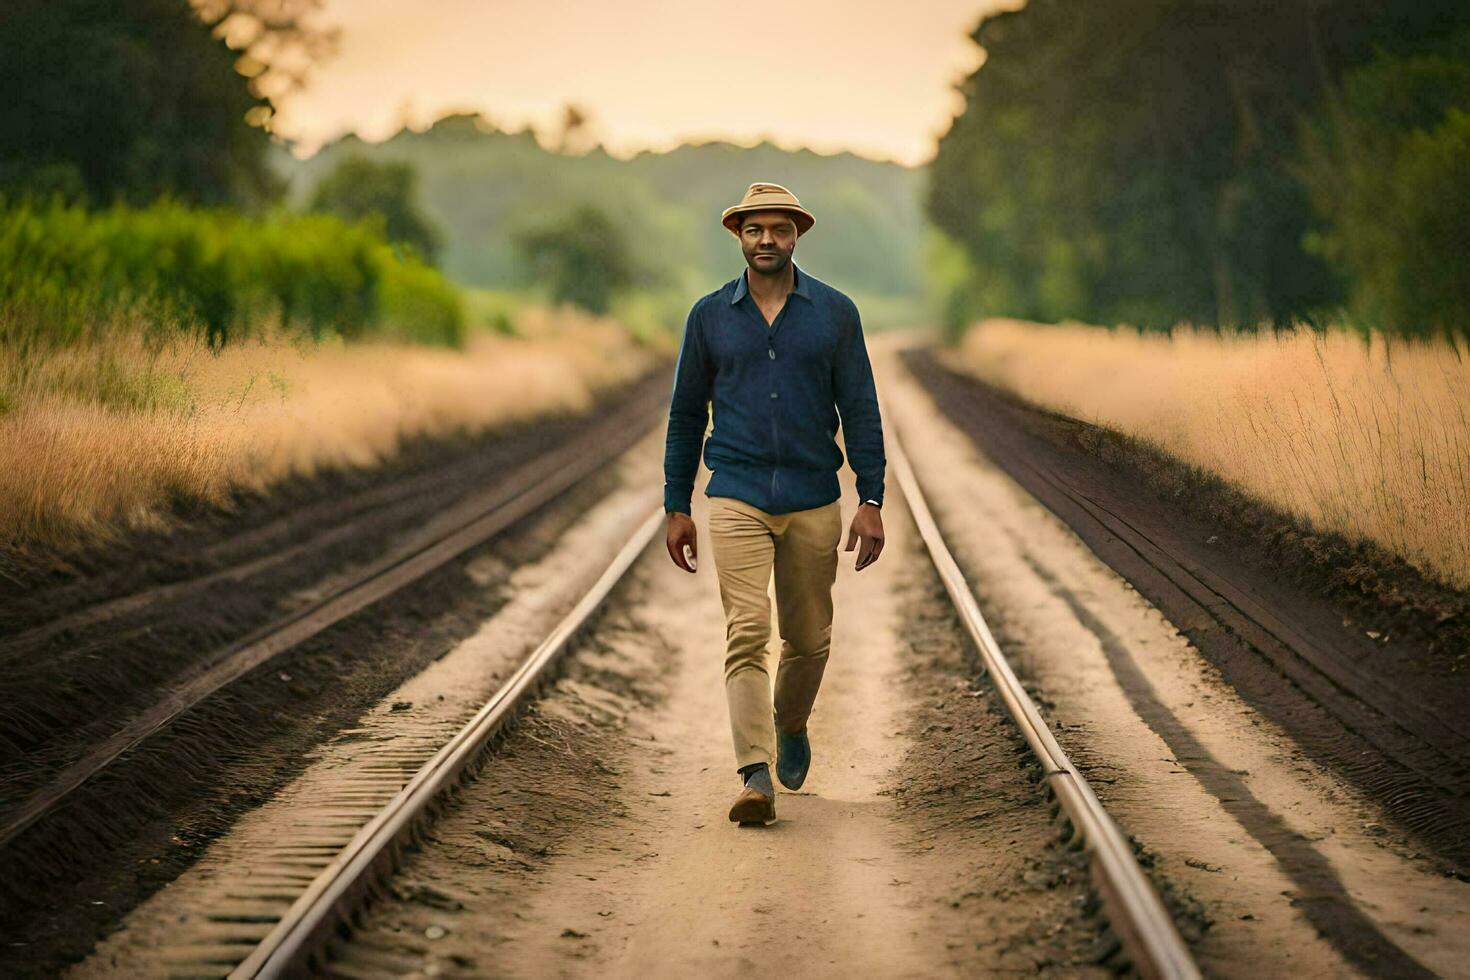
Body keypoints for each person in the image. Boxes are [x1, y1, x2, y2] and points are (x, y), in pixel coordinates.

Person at [661, 181, 887, 826]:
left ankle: (791, 725)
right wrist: (677, 505)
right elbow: (685, 415)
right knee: (747, 631)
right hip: (736, 493)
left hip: (815, 497)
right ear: (738, 235)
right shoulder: (709, 316)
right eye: (755, 230)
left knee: (809, 640)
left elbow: (862, 408)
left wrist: (871, 497)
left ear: (797, 235)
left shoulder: (835, 313)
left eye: (778, 230)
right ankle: (754, 772)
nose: (767, 240)